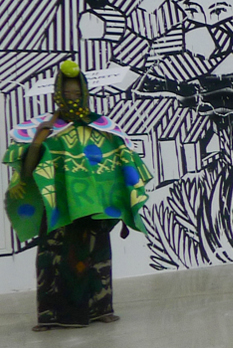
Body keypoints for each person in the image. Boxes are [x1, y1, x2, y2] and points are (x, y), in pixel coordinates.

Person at [4, 61, 153, 331]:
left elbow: (121, 162)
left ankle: (101, 309)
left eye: (76, 93)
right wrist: (38, 141)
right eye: (66, 94)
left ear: (85, 93)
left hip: (95, 210)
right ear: (57, 95)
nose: (72, 98)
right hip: (58, 210)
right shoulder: (46, 129)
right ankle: (49, 316)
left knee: (97, 258)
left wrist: (121, 203)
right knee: (52, 260)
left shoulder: (102, 128)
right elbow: (27, 171)